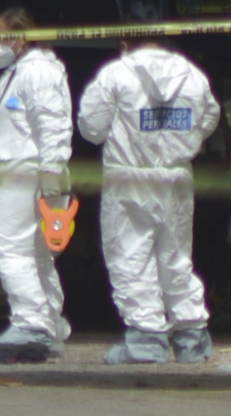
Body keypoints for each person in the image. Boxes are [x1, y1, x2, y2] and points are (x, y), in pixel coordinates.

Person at [78, 20, 221, 364]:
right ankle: (192, 337)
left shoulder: (114, 74)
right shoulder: (193, 75)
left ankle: (146, 340)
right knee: (176, 257)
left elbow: (91, 128)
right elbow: (209, 118)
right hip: (175, 178)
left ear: (125, 41)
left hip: (129, 177)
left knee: (130, 255)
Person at [0, 8, 74, 364]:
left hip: (28, 175)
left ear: (18, 37)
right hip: (27, 172)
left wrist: (50, 175)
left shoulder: (39, 72)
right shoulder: (21, 73)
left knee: (6, 249)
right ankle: (48, 326)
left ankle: (31, 323)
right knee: (36, 257)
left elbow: (53, 125)